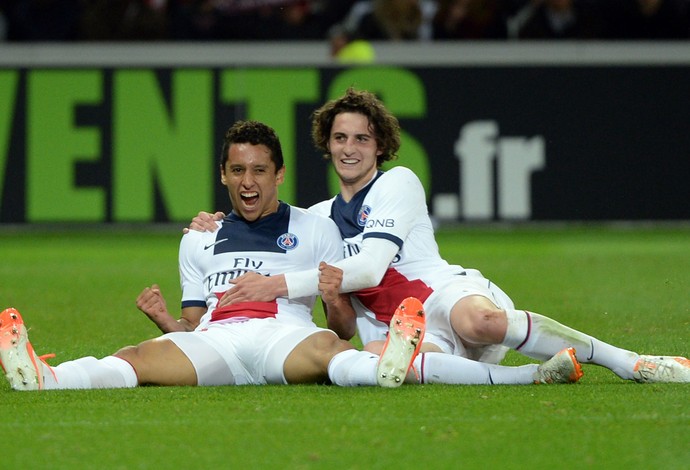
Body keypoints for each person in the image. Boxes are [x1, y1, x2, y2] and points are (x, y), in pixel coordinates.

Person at [189, 88, 690, 385]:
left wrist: (275, 286)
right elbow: (278, 227)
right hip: (394, 325)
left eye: (361, 138)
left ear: (380, 145)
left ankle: (629, 362)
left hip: (440, 293)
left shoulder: (397, 183)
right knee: (400, 366)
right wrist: (215, 224)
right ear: (326, 144)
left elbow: (368, 269)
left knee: (481, 321)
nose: (349, 148)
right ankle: (534, 377)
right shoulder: (318, 217)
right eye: (340, 137)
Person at [0, 120, 418, 392]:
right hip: (218, 342)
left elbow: (343, 328)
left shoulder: (316, 228)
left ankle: (381, 370)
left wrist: (332, 298)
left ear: (279, 175)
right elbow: (194, 324)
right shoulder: (199, 237)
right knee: (138, 357)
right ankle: (44, 378)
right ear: (223, 175)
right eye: (237, 171)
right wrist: (167, 323)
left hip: (284, 335)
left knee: (331, 350)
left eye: (259, 170)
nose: (248, 182)